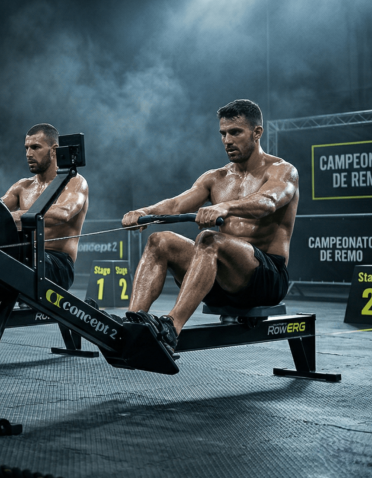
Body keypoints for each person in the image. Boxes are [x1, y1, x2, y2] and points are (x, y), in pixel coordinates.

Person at [121, 99, 297, 356]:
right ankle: (132, 324)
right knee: (160, 240)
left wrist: (225, 207)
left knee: (209, 239)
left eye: (235, 132)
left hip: (265, 279)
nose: (227, 140)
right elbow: (175, 204)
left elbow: (267, 202)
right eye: (223, 133)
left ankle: (171, 328)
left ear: (257, 132)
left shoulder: (282, 171)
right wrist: (144, 212)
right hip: (221, 282)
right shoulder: (216, 177)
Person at [1, 123, 89, 293]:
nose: (28, 154)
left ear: (54, 150)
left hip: (58, 265)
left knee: (15, 255)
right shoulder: (22, 186)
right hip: (27, 255)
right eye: (26, 148)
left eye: (35, 147)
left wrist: (18, 216)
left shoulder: (74, 181)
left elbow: (64, 213)